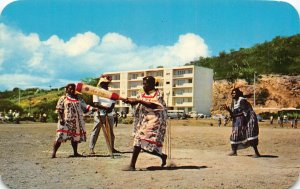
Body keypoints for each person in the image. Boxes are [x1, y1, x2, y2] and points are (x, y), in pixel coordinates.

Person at [122, 76, 168, 171]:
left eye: (146, 84)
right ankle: (162, 156)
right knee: (143, 144)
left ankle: (132, 166)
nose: (144, 86)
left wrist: (138, 100)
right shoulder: (141, 94)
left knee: (140, 140)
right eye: (143, 84)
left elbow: (153, 105)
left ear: (152, 84)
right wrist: (129, 101)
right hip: (143, 120)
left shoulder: (158, 94)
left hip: (155, 120)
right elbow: (137, 103)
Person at [52, 83, 96, 158]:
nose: (72, 90)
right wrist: (61, 118)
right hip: (66, 121)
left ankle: (75, 153)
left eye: (73, 88)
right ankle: (54, 153)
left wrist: (93, 108)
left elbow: (85, 107)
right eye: (70, 88)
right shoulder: (63, 98)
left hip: (76, 121)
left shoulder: (79, 99)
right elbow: (59, 109)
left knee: (75, 138)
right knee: (60, 136)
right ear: (67, 89)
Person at [222, 88, 260, 158]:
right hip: (238, 120)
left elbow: (245, 112)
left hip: (248, 119)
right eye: (232, 93)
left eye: (234, 93)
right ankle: (234, 151)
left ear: (238, 94)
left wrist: (235, 116)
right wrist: (228, 110)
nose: (233, 94)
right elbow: (233, 113)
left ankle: (257, 153)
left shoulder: (242, 100)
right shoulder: (233, 102)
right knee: (235, 134)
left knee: (250, 134)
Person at [89, 74, 120, 154]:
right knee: (95, 131)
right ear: (101, 83)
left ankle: (112, 148)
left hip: (110, 114)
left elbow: (113, 102)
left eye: (106, 83)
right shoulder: (96, 91)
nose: (105, 84)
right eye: (103, 83)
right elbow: (96, 104)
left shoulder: (111, 92)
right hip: (100, 114)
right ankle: (91, 149)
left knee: (111, 133)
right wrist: (106, 108)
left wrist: (110, 109)